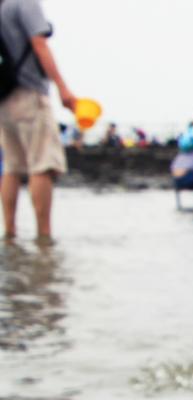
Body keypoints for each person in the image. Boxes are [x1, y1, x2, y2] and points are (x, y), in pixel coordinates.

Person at [0, 0, 75, 243]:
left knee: (12, 166)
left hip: (3, 96)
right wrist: (63, 89)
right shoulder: (25, 2)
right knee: (42, 164)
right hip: (29, 92)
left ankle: (9, 232)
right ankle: (44, 236)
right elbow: (39, 43)